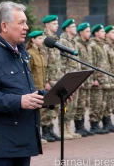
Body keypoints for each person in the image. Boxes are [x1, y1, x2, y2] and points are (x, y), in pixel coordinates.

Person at [0, 1, 45, 166]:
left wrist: (56, 96)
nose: (26, 27)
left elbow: (25, 92)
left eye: (26, 22)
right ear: (4, 26)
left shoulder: (20, 53)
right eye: (21, 23)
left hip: (21, 142)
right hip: (0, 147)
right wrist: (19, 101)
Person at [58, 19, 82, 139]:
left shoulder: (75, 42)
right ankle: (62, 129)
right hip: (67, 77)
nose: (75, 28)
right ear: (67, 29)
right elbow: (61, 62)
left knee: (73, 105)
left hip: (75, 76)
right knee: (65, 105)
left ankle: (68, 127)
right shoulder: (62, 42)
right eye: (73, 26)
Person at [40, 14, 61, 142]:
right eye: (54, 23)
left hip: (56, 77)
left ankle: (50, 129)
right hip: (49, 79)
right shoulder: (44, 41)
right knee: (47, 105)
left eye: (57, 23)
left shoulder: (55, 40)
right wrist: (46, 80)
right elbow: (44, 62)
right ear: (47, 25)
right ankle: (45, 130)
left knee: (54, 106)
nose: (57, 25)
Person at [26, 30, 48, 144]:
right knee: (34, 114)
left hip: (41, 87)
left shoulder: (40, 53)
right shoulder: (30, 53)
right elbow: (28, 72)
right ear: (33, 40)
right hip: (34, 88)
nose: (42, 40)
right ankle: (34, 137)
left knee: (39, 113)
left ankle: (37, 136)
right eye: (39, 38)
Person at [87, 24, 110, 134]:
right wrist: (94, 78)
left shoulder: (103, 45)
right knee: (96, 103)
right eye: (102, 31)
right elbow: (92, 62)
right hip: (97, 79)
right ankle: (94, 124)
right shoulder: (93, 45)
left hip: (104, 78)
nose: (104, 33)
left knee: (102, 103)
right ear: (96, 33)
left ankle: (100, 123)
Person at [74, 22, 94, 137]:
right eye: (87, 31)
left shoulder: (88, 45)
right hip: (80, 79)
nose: (89, 33)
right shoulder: (77, 44)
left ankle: (81, 126)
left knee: (84, 103)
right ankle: (78, 126)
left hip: (88, 79)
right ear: (81, 32)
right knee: (79, 104)